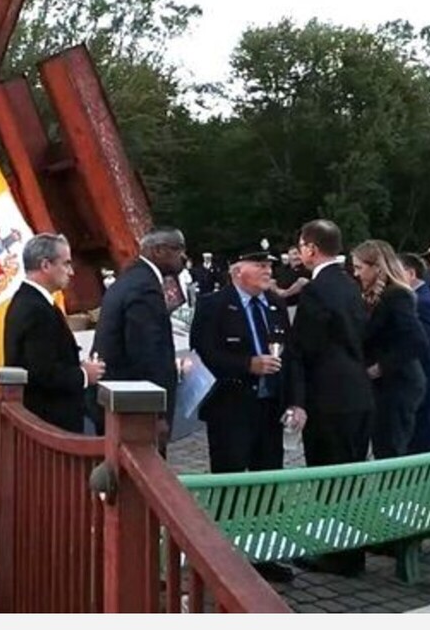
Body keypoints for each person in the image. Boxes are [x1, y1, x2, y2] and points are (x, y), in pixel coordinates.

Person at [190, 250, 293, 581]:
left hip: (269, 407)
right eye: (260, 265)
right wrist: (246, 364)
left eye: (270, 265)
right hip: (230, 408)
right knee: (230, 482)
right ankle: (226, 558)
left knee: (267, 483)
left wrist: (295, 402)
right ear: (237, 271)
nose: (268, 270)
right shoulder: (214, 305)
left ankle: (263, 554)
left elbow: (292, 356)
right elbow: (204, 350)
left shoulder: (275, 304)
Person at [286, 220, 374, 576]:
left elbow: (305, 347)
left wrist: (297, 398)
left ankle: (340, 555)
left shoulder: (317, 290)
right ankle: (352, 549)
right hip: (358, 393)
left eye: (301, 246)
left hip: (329, 397)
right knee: (350, 474)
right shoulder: (351, 283)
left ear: (310, 248)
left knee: (330, 476)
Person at [3, 233, 105, 434]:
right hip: (47, 426)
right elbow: (42, 372)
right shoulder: (35, 309)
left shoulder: (31, 301)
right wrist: (84, 374)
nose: (71, 272)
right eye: (66, 264)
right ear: (45, 265)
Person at [92, 227, 186, 445]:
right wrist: (158, 414)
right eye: (178, 249)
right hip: (135, 410)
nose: (183, 256)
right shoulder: (145, 287)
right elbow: (146, 353)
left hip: (118, 400)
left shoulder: (131, 278)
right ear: (158, 250)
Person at [352, 240, 427, 459]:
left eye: (359, 267)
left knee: (390, 446)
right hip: (387, 385)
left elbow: (417, 341)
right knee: (384, 443)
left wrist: (381, 367)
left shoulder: (396, 296)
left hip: (398, 383)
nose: (356, 274)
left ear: (377, 267)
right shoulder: (374, 296)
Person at [399, 252, 430, 454]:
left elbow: (424, 347)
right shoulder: (420, 299)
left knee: (424, 445)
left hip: (427, 386)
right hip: (423, 385)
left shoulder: (424, 303)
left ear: (410, 273)